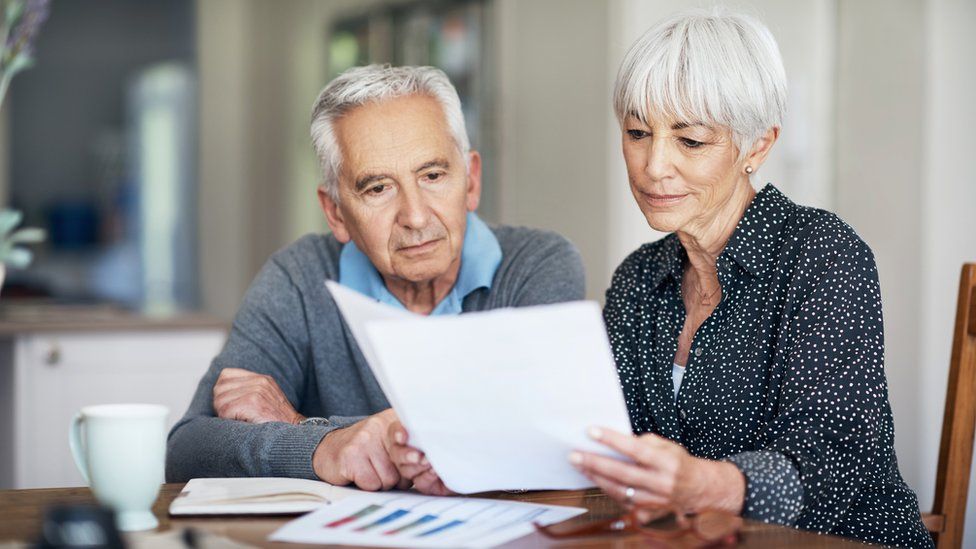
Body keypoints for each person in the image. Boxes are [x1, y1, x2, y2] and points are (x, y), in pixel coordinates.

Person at [567, 8, 932, 548]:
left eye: (690, 140)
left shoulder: (823, 255)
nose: (653, 165)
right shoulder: (639, 279)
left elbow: (836, 464)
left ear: (757, 146)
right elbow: (604, 439)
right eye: (637, 132)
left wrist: (705, 484)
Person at [166, 65, 585, 494]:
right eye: (378, 188)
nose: (416, 217)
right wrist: (327, 447)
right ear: (335, 212)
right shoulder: (298, 278)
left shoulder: (538, 264)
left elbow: (542, 434)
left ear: (471, 180)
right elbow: (188, 449)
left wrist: (304, 426)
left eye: (433, 176)